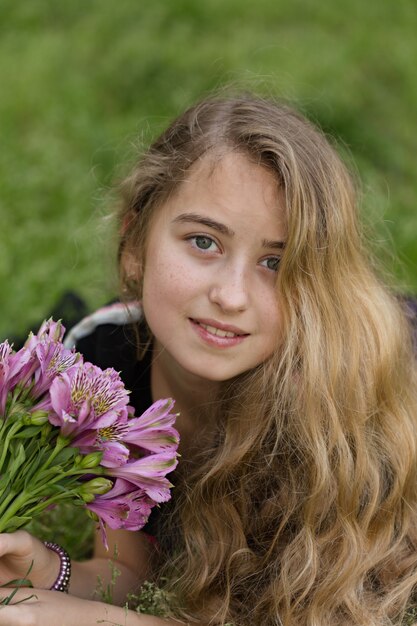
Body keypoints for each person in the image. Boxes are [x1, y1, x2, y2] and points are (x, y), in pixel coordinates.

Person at [1, 93, 417, 626]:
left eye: (276, 261)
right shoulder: (102, 370)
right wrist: (41, 569)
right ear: (135, 245)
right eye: (203, 241)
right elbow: (129, 568)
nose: (232, 295)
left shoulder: (337, 409)